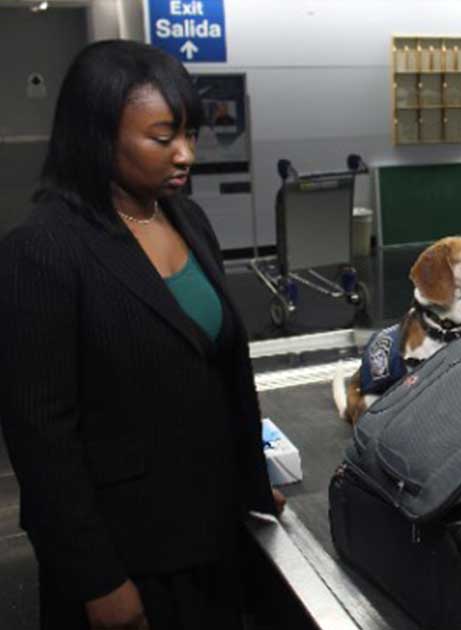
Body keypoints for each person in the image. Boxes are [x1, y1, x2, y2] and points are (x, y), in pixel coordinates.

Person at [0, 40, 284, 630]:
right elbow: (41, 437)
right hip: (131, 555)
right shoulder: (44, 250)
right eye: (163, 138)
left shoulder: (186, 217)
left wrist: (251, 490)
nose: (186, 155)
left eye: (191, 134)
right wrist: (96, 579)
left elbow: (224, 374)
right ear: (98, 136)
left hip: (212, 533)